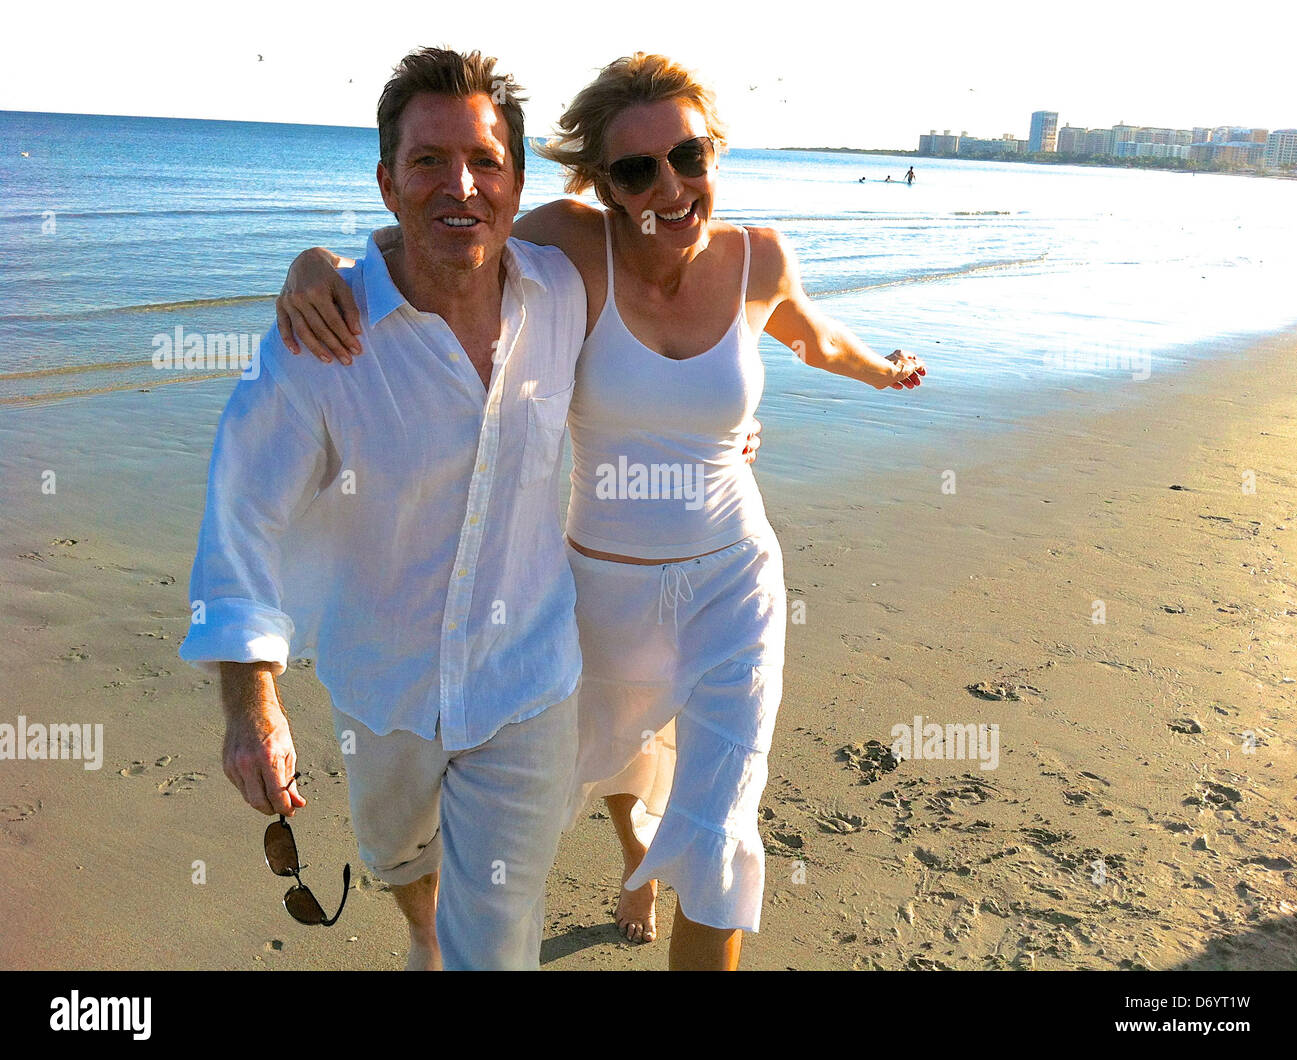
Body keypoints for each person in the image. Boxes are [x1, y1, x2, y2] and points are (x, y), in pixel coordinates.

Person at [278, 52, 927, 970]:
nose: (671, 185)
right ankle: (627, 860)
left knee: (716, 827)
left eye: (689, 157)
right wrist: (318, 263)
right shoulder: (575, 247)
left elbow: (817, 339)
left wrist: (886, 367)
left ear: (714, 155)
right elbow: (447, 236)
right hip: (594, 588)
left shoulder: (759, 259)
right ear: (605, 185)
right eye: (637, 169)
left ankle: (671, 863)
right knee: (575, 781)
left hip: (732, 578)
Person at [179, 47, 590, 971]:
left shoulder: (565, 293)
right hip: (383, 684)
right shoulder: (322, 335)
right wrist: (253, 704)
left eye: (486, 161)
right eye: (428, 161)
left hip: (529, 679)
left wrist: (723, 434)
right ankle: (417, 919)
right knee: (397, 854)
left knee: (496, 932)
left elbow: (672, 287)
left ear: (518, 182)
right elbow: (242, 511)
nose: (461, 185)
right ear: (386, 181)